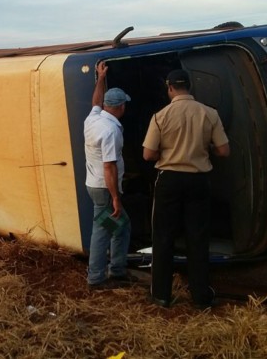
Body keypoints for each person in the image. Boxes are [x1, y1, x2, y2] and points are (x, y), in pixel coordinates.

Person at [142, 69, 230, 309]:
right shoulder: (209, 113)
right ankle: (201, 297)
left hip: (169, 180)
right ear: (190, 86)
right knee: (198, 238)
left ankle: (161, 295)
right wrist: (203, 149)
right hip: (198, 180)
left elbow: (148, 154)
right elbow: (224, 151)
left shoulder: (160, 116)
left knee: (163, 237)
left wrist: (168, 152)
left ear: (169, 87)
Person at [84, 61, 135, 290]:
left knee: (121, 226)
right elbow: (110, 166)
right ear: (121, 107)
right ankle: (96, 278)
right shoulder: (111, 130)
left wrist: (101, 78)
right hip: (105, 188)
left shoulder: (94, 118)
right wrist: (115, 197)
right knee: (103, 231)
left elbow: (95, 101)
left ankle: (117, 269)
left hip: (94, 183)